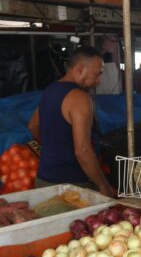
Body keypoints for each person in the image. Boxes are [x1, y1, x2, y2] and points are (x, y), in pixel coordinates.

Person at [27, 46, 116, 197]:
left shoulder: (50, 90)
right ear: (80, 69)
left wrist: (54, 148)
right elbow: (82, 151)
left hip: (44, 180)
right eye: (97, 74)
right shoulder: (80, 97)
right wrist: (103, 186)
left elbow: (32, 126)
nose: (99, 81)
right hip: (72, 187)